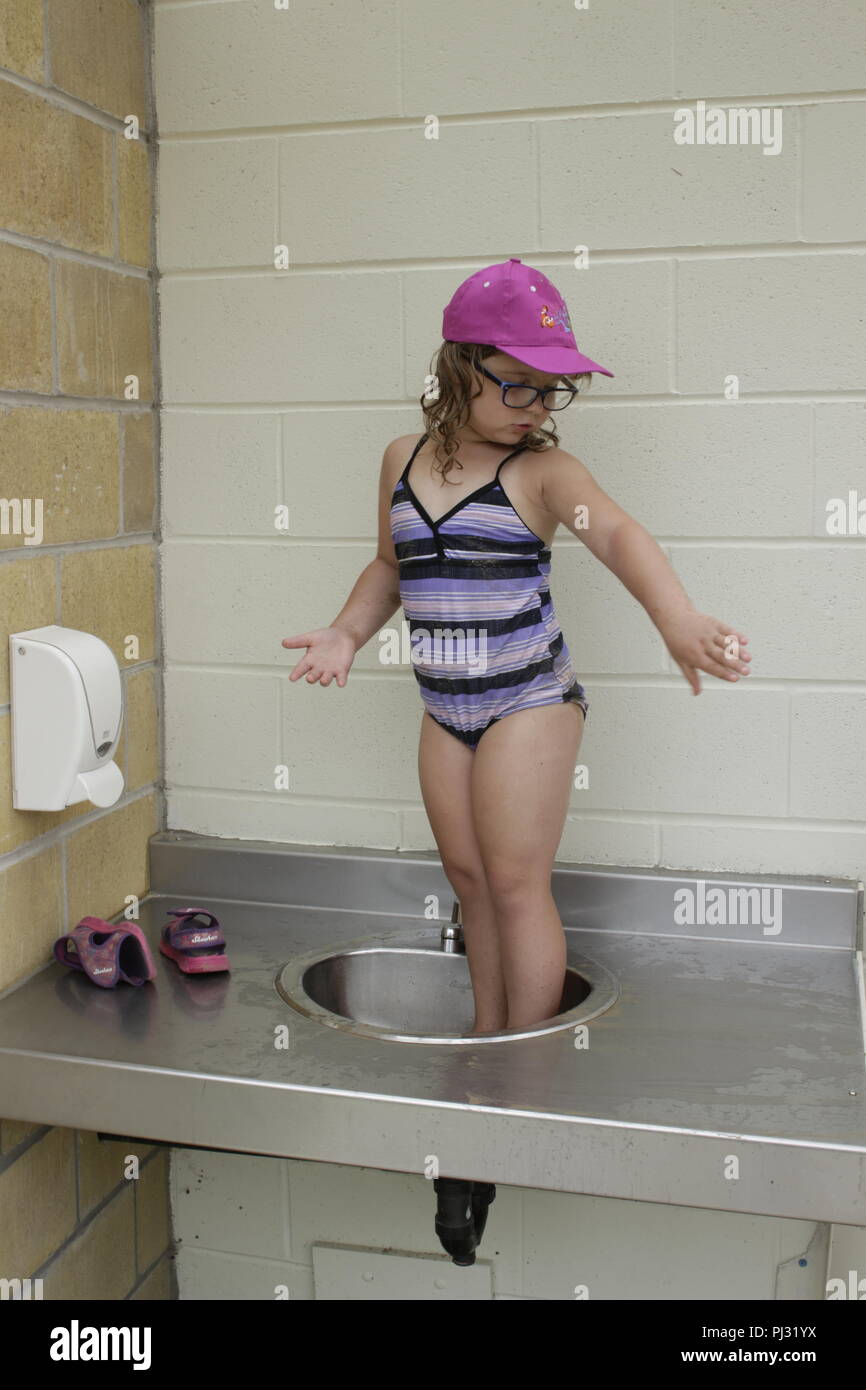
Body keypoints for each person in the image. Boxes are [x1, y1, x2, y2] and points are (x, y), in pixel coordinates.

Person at [282, 257, 751, 1036]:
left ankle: (524, 1059)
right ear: (457, 368)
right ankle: (485, 1035)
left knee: (515, 880)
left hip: (527, 698)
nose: (535, 405)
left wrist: (676, 618)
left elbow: (620, 537)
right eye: (516, 383)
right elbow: (391, 567)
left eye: (551, 388)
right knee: (469, 880)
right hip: (444, 707)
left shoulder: (545, 473)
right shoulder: (401, 459)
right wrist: (346, 631)